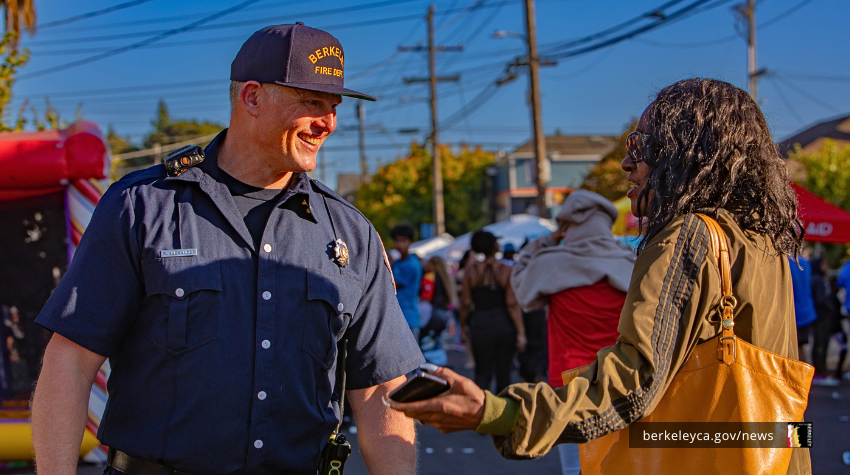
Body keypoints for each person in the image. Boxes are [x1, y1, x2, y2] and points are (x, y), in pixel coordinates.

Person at [32, 24, 423, 475]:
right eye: (311, 103)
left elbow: (379, 391)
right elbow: (71, 363)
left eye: (334, 107)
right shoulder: (142, 205)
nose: (328, 122)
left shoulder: (351, 234)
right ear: (252, 98)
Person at [386, 78, 811, 474]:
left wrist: (496, 413)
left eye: (640, 144)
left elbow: (632, 383)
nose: (627, 162)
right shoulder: (763, 242)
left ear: (685, 151)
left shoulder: (690, 236)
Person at [510, 189, 635, 475]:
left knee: (575, 465)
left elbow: (521, 287)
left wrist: (544, 241)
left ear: (567, 226)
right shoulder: (631, 263)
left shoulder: (551, 263)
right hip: (619, 378)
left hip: (568, 379)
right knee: (620, 462)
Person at [460, 231, 527, 394]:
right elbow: (512, 303)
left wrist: (463, 326)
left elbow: (466, 303)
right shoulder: (506, 270)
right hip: (503, 323)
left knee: (482, 373)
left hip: (480, 323)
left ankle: (481, 412)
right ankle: (503, 414)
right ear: (493, 246)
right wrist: (521, 333)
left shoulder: (470, 271)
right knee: (504, 374)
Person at [390, 224, 423, 341]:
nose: (399, 244)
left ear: (410, 242)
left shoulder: (412, 264)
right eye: (397, 241)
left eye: (403, 241)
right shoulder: (398, 262)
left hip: (408, 317)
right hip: (397, 316)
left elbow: (392, 283)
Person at [790, 253, 818, 362]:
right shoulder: (806, 263)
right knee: (801, 347)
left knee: (794, 350)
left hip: (794, 313)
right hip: (808, 311)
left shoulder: (784, 262)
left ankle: (798, 377)